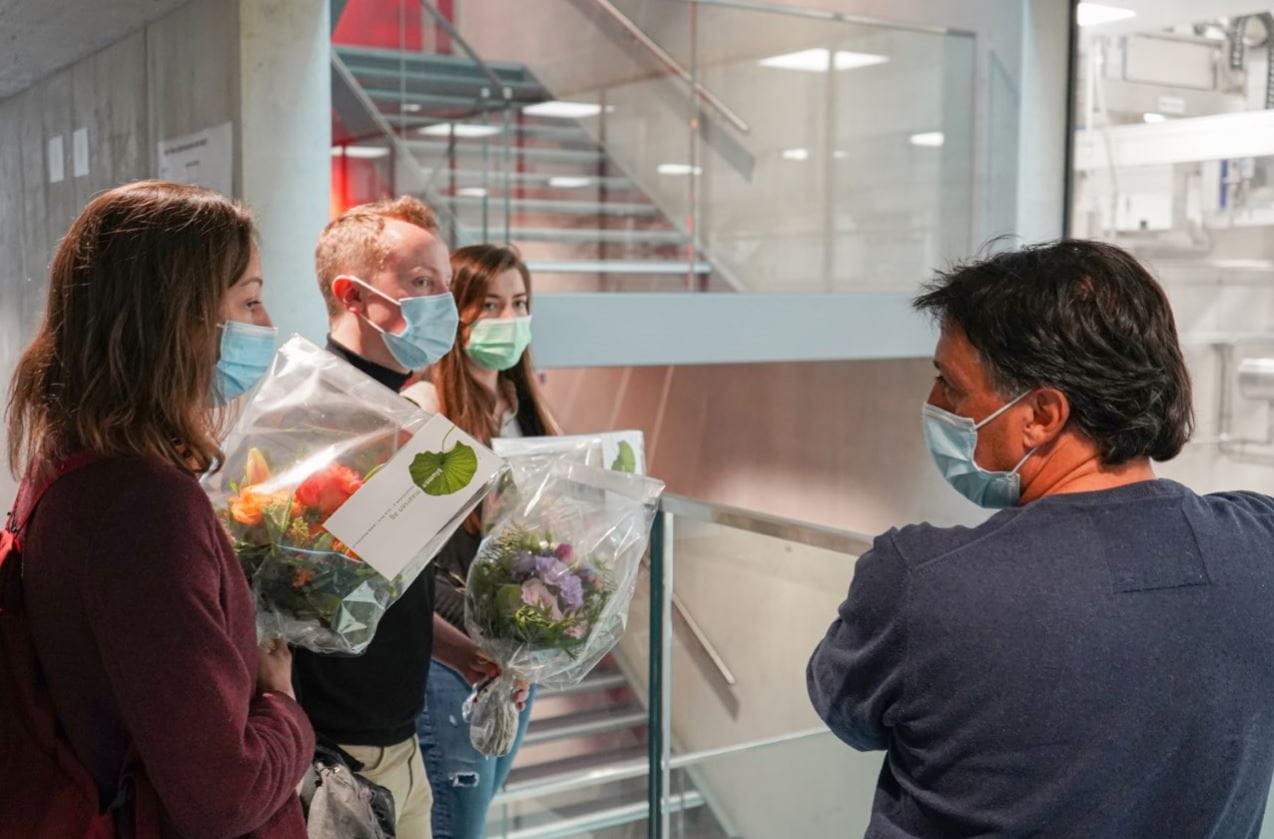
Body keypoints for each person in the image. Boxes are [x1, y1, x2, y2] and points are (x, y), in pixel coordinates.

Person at [807, 239, 1274, 838]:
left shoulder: (923, 581)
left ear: (1042, 415)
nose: (933, 404)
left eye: (950, 385)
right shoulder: (1259, 549)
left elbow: (849, 713)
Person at [8, 180, 313, 836]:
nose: (267, 325)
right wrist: (287, 709)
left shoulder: (73, 461)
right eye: (251, 300)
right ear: (174, 316)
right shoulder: (140, 508)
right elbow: (221, 795)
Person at [295, 196, 506, 839]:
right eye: (420, 284)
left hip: (403, 738)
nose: (442, 303)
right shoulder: (311, 421)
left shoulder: (408, 416)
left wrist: (456, 650)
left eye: (444, 285)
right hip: (339, 759)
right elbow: (298, 603)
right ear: (352, 297)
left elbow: (388, 580)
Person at [402, 245, 561, 839]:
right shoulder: (427, 406)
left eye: (518, 304)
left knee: (478, 812)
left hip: (516, 658)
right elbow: (407, 557)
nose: (507, 319)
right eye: (488, 305)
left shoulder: (522, 407)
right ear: (457, 315)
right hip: (450, 657)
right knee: (456, 823)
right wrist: (464, 652)